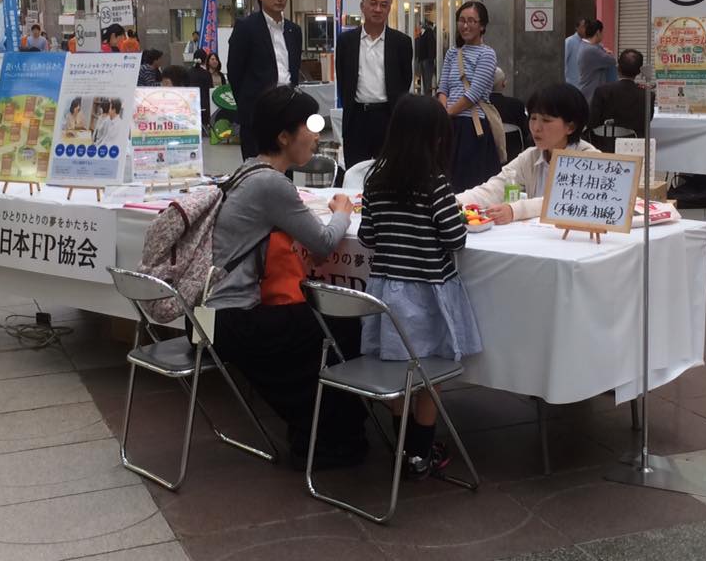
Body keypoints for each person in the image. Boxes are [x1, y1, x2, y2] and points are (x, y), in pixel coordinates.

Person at [204, 85, 367, 469]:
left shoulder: (247, 171)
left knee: (328, 326)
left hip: (212, 316)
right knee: (343, 326)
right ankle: (327, 435)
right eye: (310, 126)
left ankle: (318, 429)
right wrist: (343, 210)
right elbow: (324, 243)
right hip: (236, 319)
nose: (317, 136)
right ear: (283, 137)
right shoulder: (271, 184)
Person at [359, 93, 481, 479]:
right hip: (427, 293)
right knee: (430, 374)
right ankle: (421, 453)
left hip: (385, 291)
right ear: (435, 138)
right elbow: (455, 239)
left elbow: (366, 236)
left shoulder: (375, 179)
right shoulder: (435, 184)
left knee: (397, 372)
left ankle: (402, 448)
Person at [458, 83, 597, 225]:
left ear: (571, 127)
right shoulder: (530, 157)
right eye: (533, 118)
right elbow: (494, 189)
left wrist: (516, 210)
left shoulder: (591, 160)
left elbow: (565, 201)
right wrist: (455, 202)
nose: (536, 128)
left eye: (546, 120)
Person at [227, 0, 303, 159]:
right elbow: (234, 72)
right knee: (257, 166)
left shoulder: (294, 30)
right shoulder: (246, 27)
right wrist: (248, 104)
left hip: (286, 109)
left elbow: (293, 69)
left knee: (284, 165)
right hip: (257, 111)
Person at [336, 0, 413, 169]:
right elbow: (343, 79)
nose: (378, 9)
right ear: (362, 7)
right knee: (355, 172)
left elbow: (405, 80)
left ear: (389, 9)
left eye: (383, 5)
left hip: (388, 117)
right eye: (373, 4)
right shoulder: (346, 41)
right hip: (356, 118)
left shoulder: (401, 42)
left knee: (389, 171)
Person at [437, 1, 501, 193]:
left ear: (482, 26)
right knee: (445, 181)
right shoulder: (452, 53)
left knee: (469, 185)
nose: (465, 25)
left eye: (471, 21)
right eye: (462, 20)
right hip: (449, 123)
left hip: (472, 127)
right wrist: (443, 113)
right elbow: (443, 88)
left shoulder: (487, 54)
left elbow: (473, 94)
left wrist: (446, 114)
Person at [589, 48, 654, 139]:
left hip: (604, 143)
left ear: (618, 68)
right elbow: (645, 123)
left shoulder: (602, 91)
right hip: (635, 143)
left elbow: (592, 122)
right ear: (639, 71)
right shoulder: (648, 95)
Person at [489, 67, 529, 161]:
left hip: (486, 157)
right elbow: (526, 132)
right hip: (514, 156)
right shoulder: (516, 105)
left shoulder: (476, 107)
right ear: (504, 84)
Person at [575, 19, 617, 105]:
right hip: (590, 95)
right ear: (598, 32)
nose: (603, 35)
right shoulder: (591, 50)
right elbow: (612, 61)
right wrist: (607, 53)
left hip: (587, 92)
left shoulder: (585, 46)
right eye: (602, 32)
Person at [188, 49, 214, 128]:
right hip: (204, 105)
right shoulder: (207, 74)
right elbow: (210, 90)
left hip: (190, 105)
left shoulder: (188, 72)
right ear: (205, 60)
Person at [564, 17, 588, 87]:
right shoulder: (569, 42)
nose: (586, 29)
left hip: (583, 84)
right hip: (571, 84)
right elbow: (563, 63)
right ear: (577, 28)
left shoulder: (587, 43)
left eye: (587, 27)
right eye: (583, 27)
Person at [416, 20, 437, 93]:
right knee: (425, 79)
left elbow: (431, 46)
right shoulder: (422, 34)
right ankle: (426, 94)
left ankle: (427, 95)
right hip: (423, 59)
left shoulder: (429, 32)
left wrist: (431, 59)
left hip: (427, 60)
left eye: (419, 25)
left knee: (427, 80)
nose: (417, 27)